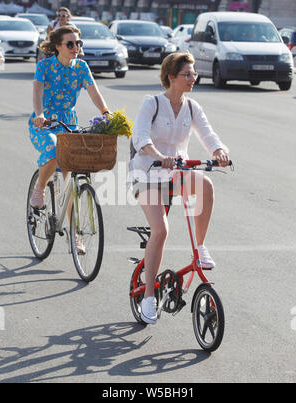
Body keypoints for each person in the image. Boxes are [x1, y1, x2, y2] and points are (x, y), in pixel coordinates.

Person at [129, 52, 230, 324]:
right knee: (160, 231)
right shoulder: (152, 104)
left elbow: (207, 133)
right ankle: (149, 296)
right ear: (171, 77)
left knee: (206, 185)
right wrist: (158, 155)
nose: (193, 78)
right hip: (148, 173)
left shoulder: (192, 107)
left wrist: (219, 150)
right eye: (187, 74)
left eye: (193, 73)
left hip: (177, 172)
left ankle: (199, 246)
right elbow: (140, 138)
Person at [28, 26, 110, 251]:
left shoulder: (82, 67)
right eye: (70, 44)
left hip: (68, 124)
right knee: (55, 149)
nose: (76, 48)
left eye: (78, 44)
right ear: (58, 47)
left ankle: (74, 234)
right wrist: (39, 114)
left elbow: (94, 92)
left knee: (70, 183)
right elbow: (37, 92)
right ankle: (40, 189)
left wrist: (105, 112)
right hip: (43, 124)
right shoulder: (44, 66)